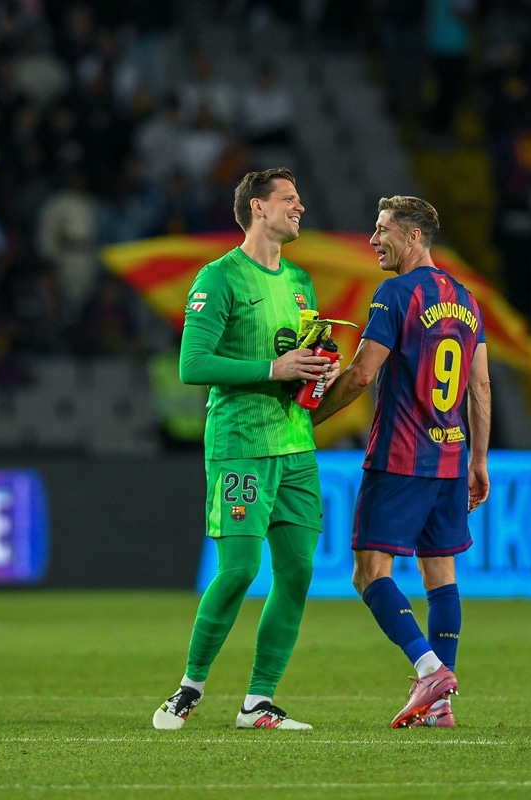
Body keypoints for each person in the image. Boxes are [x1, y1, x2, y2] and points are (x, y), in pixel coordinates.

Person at [152, 168, 338, 732]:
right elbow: (193, 365)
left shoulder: (302, 281)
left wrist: (315, 372)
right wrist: (272, 368)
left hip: (295, 447)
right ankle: (189, 687)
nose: (299, 206)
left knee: (299, 571)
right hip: (241, 445)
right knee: (238, 570)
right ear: (258, 208)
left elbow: (297, 359)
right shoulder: (219, 278)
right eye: (289, 198)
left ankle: (258, 702)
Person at [310, 195, 491, 729]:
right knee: (441, 575)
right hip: (453, 457)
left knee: (369, 573)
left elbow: (364, 374)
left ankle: (429, 669)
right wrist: (479, 458)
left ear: (413, 238)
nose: (373, 240)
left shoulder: (395, 294)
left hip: (401, 455)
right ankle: (441, 707)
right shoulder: (466, 298)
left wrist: (308, 419)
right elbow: (479, 384)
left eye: (382, 229)